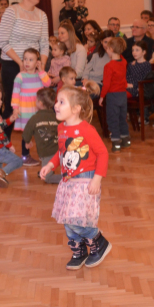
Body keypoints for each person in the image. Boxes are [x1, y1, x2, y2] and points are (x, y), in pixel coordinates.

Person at [40, 81, 111, 270]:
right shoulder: (62, 128)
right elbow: (62, 152)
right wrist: (50, 164)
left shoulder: (87, 129)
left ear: (76, 109)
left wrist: (97, 177)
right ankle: (79, 252)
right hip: (68, 181)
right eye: (57, 101)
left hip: (86, 180)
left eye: (61, 102)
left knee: (77, 219)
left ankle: (98, 241)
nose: (56, 105)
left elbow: (103, 153)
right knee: (68, 220)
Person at [0, 0, 50, 151]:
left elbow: (44, 44)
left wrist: (40, 64)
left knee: (32, 109)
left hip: (34, 68)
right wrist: (20, 62)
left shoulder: (42, 15)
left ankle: (26, 153)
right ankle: (3, 148)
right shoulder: (12, 12)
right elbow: (3, 42)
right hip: (13, 65)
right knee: (13, 108)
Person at [11, 48, 51, 166]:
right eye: (25, 59)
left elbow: (48, 84)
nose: (27, 62)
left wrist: (41, 70)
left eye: (31, 60)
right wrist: (15, 108)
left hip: (38, 110)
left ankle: (44, 155)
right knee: (27, 133)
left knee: (40, 132)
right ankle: (25, 156)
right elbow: (15, 93)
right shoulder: (20, 76)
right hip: (25, 109)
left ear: (37, 62)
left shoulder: (40, 75)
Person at [21, 87, 61, 184]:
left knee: (47, 178)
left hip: (47, 153)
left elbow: (26, 133)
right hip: (61, 150)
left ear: (40, 103)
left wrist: (27, 142)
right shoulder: (58, 117)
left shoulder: (34, 118)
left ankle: (67, 178)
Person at [100, 37, 129, 152]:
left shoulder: (109, 66)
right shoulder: (124, 62)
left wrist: (102, 96)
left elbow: (106, 84)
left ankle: (116, 143)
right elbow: (120, 57)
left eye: (107, 48)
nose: (107, 51)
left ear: (111, 49)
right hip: (123, 95)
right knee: (122, 117)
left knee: (113, 119)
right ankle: (126, 140)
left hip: (113, 96)